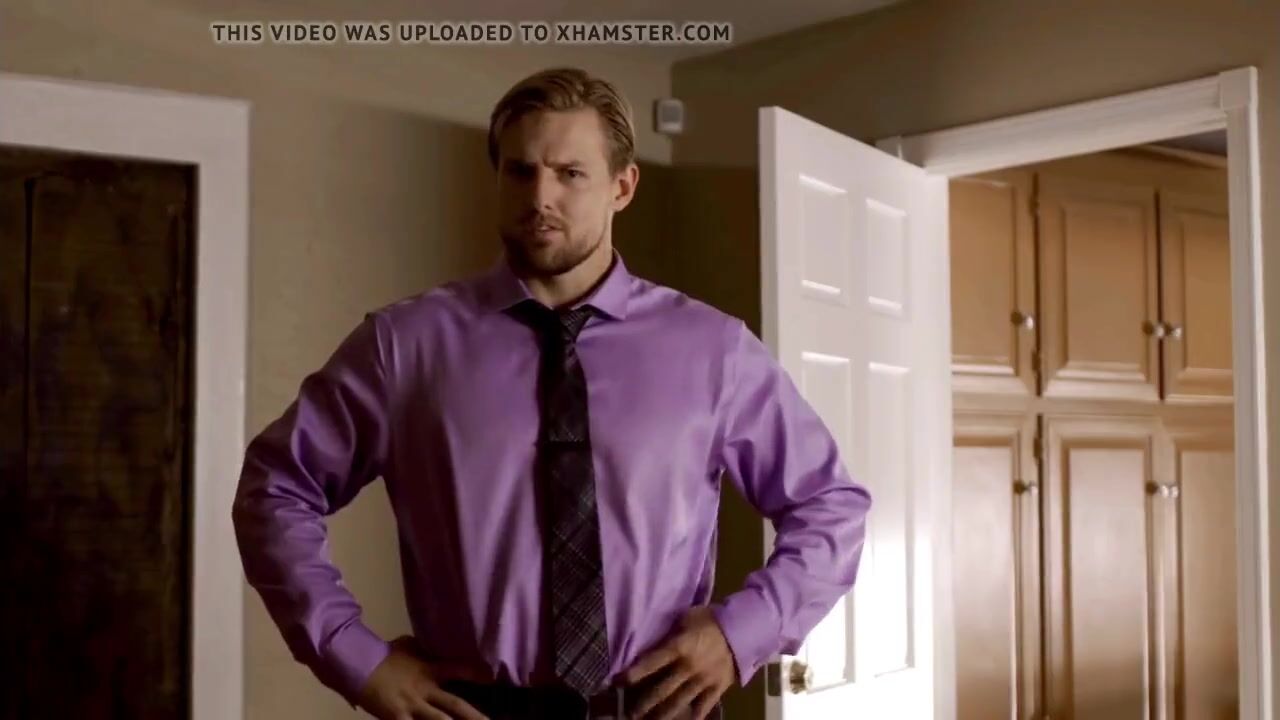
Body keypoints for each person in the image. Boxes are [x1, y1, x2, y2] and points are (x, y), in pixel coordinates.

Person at [231, 66, 872, 720]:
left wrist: (741, 635)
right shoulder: (405, 346)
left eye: (570, 173)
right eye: (520, 171)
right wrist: (354, 657)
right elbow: (274, 489)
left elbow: (830, 505)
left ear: (622, 187)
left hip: (656, 708)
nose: (540, 197)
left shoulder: (715, 350)